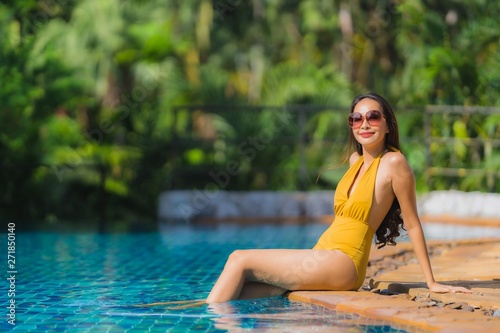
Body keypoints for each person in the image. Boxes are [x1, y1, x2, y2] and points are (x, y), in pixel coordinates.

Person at [205, 92, 471, 303]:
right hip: (323, 254)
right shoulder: (355, 161)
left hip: (345, 261)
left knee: (239, 259)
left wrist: (431, 282)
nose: (364, 124)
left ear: (388, 124)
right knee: (243, 289)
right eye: (356, 118)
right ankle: (210, 318)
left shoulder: (394, 163)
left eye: (373, 117)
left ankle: (202, 324)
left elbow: (412, 223)